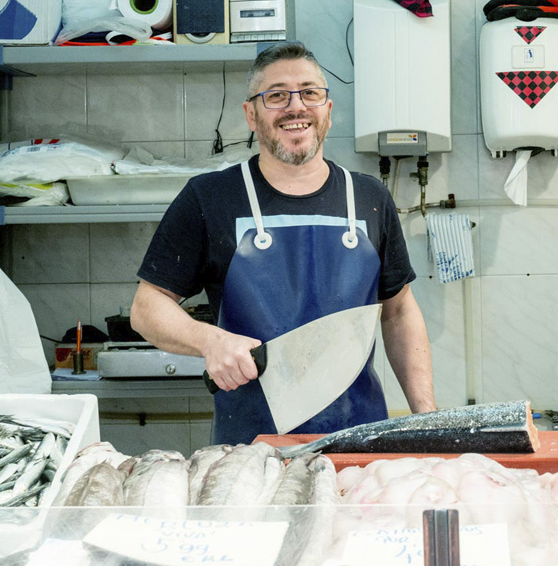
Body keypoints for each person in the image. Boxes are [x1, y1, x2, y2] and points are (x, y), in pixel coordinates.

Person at [130, 41, 436, 446]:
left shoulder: (369, 197)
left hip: (360, 441)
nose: (297, 107)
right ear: (251, 114)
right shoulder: (209, 197)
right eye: (276, 96)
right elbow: (146, 308)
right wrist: (209, 340)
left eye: (310, 93)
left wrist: (427, 420)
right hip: (249, 448)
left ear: (328, 109)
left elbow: (398, 313)